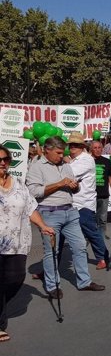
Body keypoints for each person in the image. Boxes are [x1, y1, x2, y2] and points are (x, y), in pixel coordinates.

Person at [26, 137, 106, 298]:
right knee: (51, 252)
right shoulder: (37, 166)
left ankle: (84, 281)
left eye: (63, 153)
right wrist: (59, 184)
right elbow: (34, 192)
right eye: (58, 153)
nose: (61, 156)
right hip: (49, 213)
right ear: (47, 150)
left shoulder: (66, 166)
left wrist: (74, 187)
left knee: (80, 247)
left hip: (70, 211)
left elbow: (73, 189)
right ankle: (52, 285)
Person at [0, 144, 55, 343]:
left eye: (5, 159)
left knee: (15, 279)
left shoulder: (19, 184)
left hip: (17, 242)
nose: (2, 163)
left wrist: (43, 225)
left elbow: (30, 208)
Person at [67, 133, 111, 270]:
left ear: (82, 146)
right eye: (70, 145)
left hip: (83, 204)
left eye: (76, 145)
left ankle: (103, 257)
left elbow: (69, 174)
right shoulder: (72, 160)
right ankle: (49, 269)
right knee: (60, 238)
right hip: (69, 203)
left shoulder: (86, 160)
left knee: (91, 231)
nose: (72, 147)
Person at [91, 140, 111, 240]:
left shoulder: (107, 162)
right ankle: (88, 237)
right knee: (91, 219)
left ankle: (100, 239)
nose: (97, 150)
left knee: (102, 219)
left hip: (103, 195)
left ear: (102, 149)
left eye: (99, 148)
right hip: (90, 196)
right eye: (95, 148)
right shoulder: (88, 161)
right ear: (91, 149)